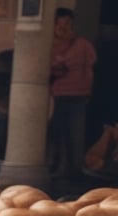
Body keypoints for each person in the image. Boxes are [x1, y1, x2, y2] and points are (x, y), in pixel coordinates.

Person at [48, 7, 96, 181]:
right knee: (59, 133)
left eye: (68, 23)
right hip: (59, 94)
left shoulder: (83, 44)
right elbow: (52, 69)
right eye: (61, 24)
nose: (65, 27)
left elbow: (91, 66)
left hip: (79, 93)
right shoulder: (50, 45)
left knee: (76, 133)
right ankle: (61, 168)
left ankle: (75, 170)